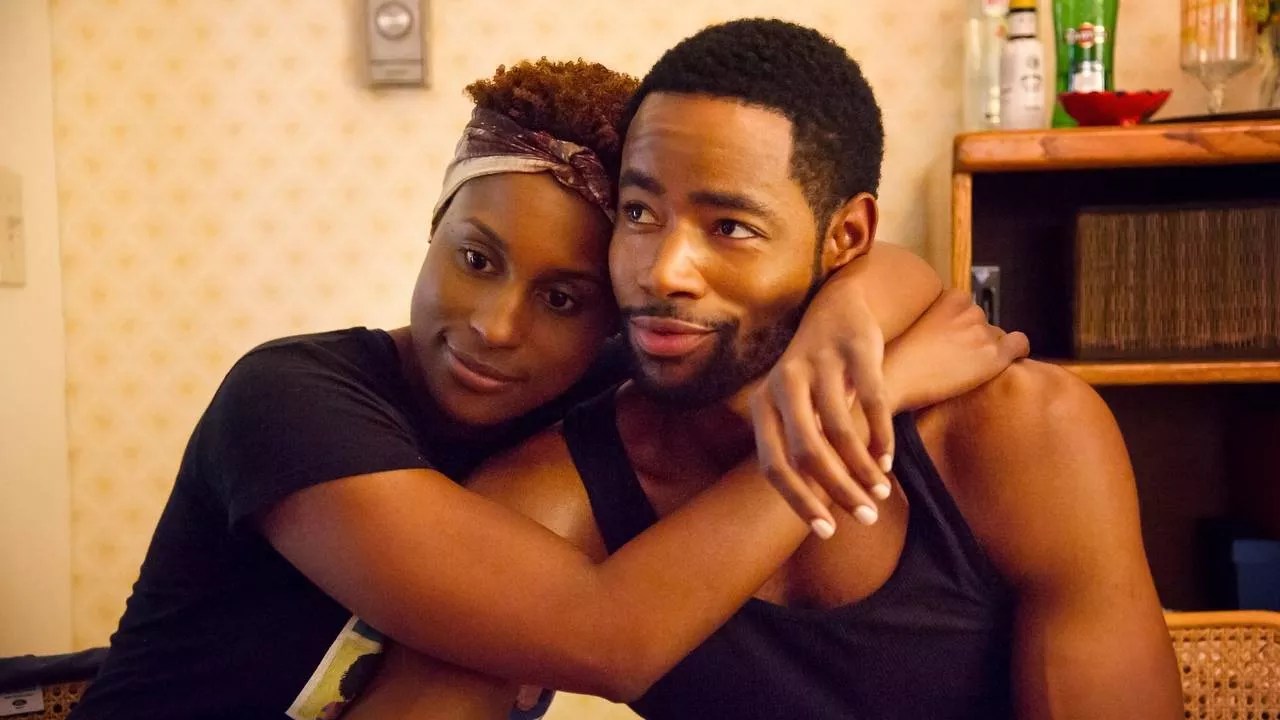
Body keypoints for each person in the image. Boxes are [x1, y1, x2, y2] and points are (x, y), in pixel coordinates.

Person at [68, 59, 1022, 720]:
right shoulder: (290, 401)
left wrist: (842, 326)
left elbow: (887, 270)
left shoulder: (605, 389)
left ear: (616, 314)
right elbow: (607, 638)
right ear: (434, 229)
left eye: (564, 298)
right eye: (475, 257)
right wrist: (872, 391)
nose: (496, 325)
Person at [350, 20, 1182, 720]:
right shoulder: (551, 492)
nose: (664, 270)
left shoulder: (1022, 435)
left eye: (731, 227)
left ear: (845, 239)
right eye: (639, 212)